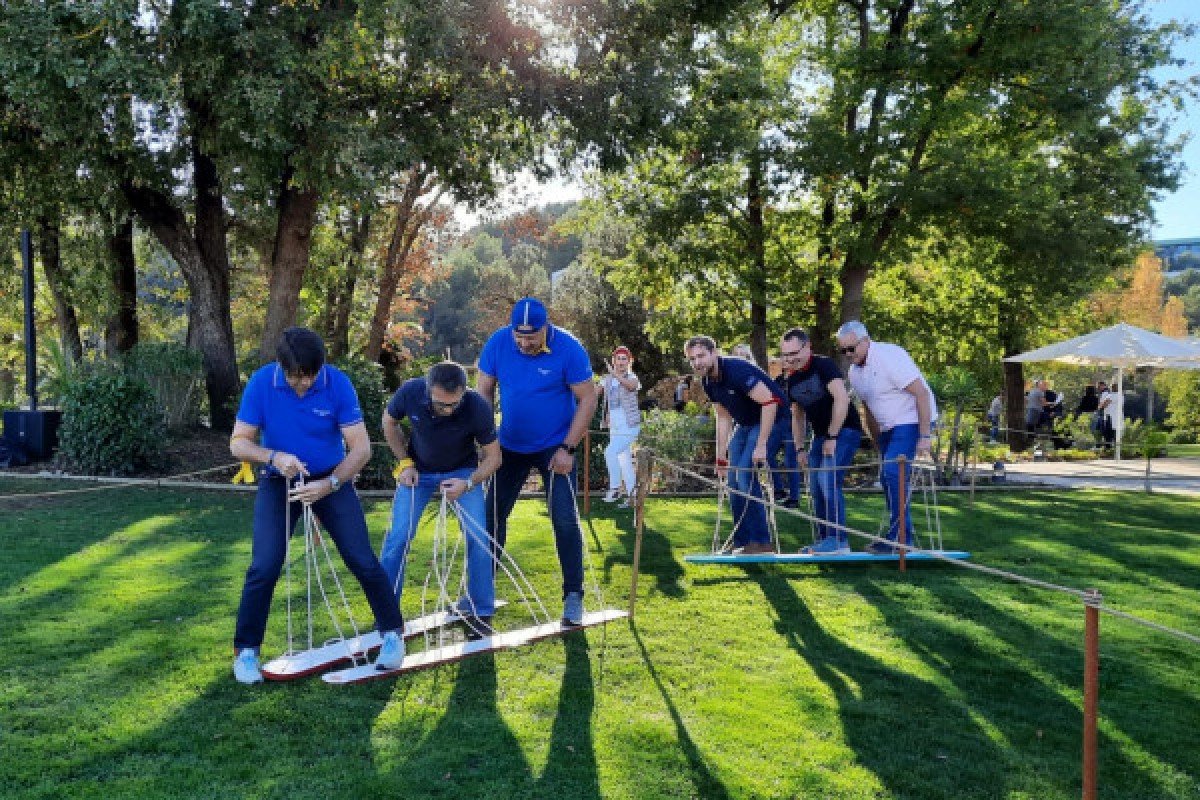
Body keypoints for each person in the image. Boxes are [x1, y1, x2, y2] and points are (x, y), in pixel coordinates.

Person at [228, 327, 406, 684]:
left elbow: (361, 449)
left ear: (321, 367)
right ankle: (246, 652)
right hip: (280, 481)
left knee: (361, 558)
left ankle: (392, 635)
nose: (303, 384)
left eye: (310, 376)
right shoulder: (263, 383)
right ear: (281, 367)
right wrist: (273, 456)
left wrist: (330, 484)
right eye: (296, 377)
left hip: (332, 478)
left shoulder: (337, 384)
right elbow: (239, 443)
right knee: (264, 565)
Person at [477, 297, 597, 626]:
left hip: (555, 448)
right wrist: (488, 441)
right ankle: (480, 591)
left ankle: (573, 595)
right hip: (510, 446)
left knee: (563, 519)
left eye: (532, 337)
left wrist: (568, 448)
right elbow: (483, 390)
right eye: (520, 337)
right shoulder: (498, 343)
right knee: (492, 518)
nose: (525, 343)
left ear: (546, 327)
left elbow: (588, 398)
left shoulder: (569, 348)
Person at [379, 361, 502, 638]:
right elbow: (389, 421)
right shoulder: (410, 392)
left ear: (463, 392)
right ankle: (387, 614)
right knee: (398, 537)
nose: (447, 410)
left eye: (453, 404)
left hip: (462, 472)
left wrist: (468, 482)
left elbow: (495, 458)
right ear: (427, 390)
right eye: (440, 404)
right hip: (418, 472)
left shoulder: (477, 407)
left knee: (478, 538)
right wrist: (404, 463)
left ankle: (481, 610)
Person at [836, 321, 936, 554]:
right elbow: (868, 408)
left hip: (910, 420)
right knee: (888, 475)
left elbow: (921, 393)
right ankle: (896, 535)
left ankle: (901, 539)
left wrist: (924, 435)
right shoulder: (854, 372)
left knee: (893, 473)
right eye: (844, 351)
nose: (849, 354)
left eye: (852, 348)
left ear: (866, 341)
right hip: (889, 427)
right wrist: (877, 440)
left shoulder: (889, 357)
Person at [685, 335, 785, 555]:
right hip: (747, 422)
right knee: (731, 478)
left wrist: (761, 445)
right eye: (692, 359)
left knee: (744, 475)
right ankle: (743, 541)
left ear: (714, 353)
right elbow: (723, 418)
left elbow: (770, 402)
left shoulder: (737, 371)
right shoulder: (708, 382)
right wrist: (721, 458)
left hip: (773, 417)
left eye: (701, 356)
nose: (697, 362)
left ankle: (761, 542)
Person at [780, 328, 864, 554]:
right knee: (816, 488)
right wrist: (799, 448)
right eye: (785, 355)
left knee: (828, 481)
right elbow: (797, 415)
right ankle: (825, 540)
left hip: (845, 431)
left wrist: (833, 436)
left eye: (794, 353)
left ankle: (839, 541)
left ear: (807, 347)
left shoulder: (823, 365)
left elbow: (842, 399)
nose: (789, 359)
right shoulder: (792, 379)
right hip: (819, 437)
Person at [597, 346, 642, 506]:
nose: (621, 362)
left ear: (629, 362)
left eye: (625, 359)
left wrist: (614, 374)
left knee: (610, 452)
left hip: (629, 424)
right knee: (624, 461)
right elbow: (595, 394)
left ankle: (615, 489)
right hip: (614, 425)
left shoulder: (632, 377)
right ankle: (633, 497)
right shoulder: (607, 379)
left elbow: (630, 386)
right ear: (613, 360)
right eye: (619, 358)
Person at [766, 371, 802, 508]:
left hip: (793, 424)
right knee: (767, 455)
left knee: (790, 461)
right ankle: (779, 490)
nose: (786, 360)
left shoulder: (799, 378)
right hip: (777, 422)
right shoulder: (779, 380)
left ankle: (794, 498)